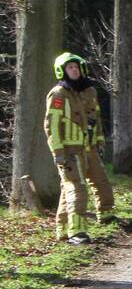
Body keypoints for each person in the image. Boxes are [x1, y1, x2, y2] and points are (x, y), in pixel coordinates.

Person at [45, 52, 114, 245]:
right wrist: (58, 153)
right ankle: (76, 231)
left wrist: (100, 142)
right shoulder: (58, 94)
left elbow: (97, 118)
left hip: (89, 147)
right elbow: (51, 125)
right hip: (70, 150)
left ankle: (106, 215)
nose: (74, 70)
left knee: (100, 180)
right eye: (70, 68)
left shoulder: (89, 91)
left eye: (76, 67)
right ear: (62, 71)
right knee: (76, 187)